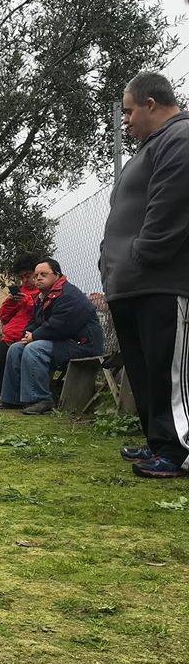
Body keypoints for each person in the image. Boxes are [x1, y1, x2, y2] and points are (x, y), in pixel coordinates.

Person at [100, 71, 189, 478]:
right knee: (145, 372)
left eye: (129, 111)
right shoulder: (149, 147)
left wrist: (140, 253)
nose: (126, 120)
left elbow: (170, 205)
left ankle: (177, 451)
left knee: (167, 374)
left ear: (151, 103)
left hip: (161, 282)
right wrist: (110, 264)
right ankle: (158, 443)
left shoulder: (180, 138)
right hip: (130, 285)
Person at [0, 259, 103, 414]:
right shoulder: (43, 297)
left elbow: (61, 326)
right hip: (62, 342)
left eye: (43, 274)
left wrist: (35, 336)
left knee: (34, 348)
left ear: (57, 275)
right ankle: (11, 399)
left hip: (82, 344)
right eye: (37, 275)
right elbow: (35, 321)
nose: (38, 278)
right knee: (16, 348)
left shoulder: (69, 295)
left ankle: (41, 399)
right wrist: (26, 334)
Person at [0, 253, 40, 404]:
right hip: (11, 336)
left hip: (30, 337)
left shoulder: (43, 291)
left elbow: (42, 314)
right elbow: (4, 317)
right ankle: (4, 392)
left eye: (27, 275)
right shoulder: (21, 292)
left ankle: (18, 395)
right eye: (21, 277)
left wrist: (28, 302)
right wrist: (10, 302)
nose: (24, 280)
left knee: (14, 355)